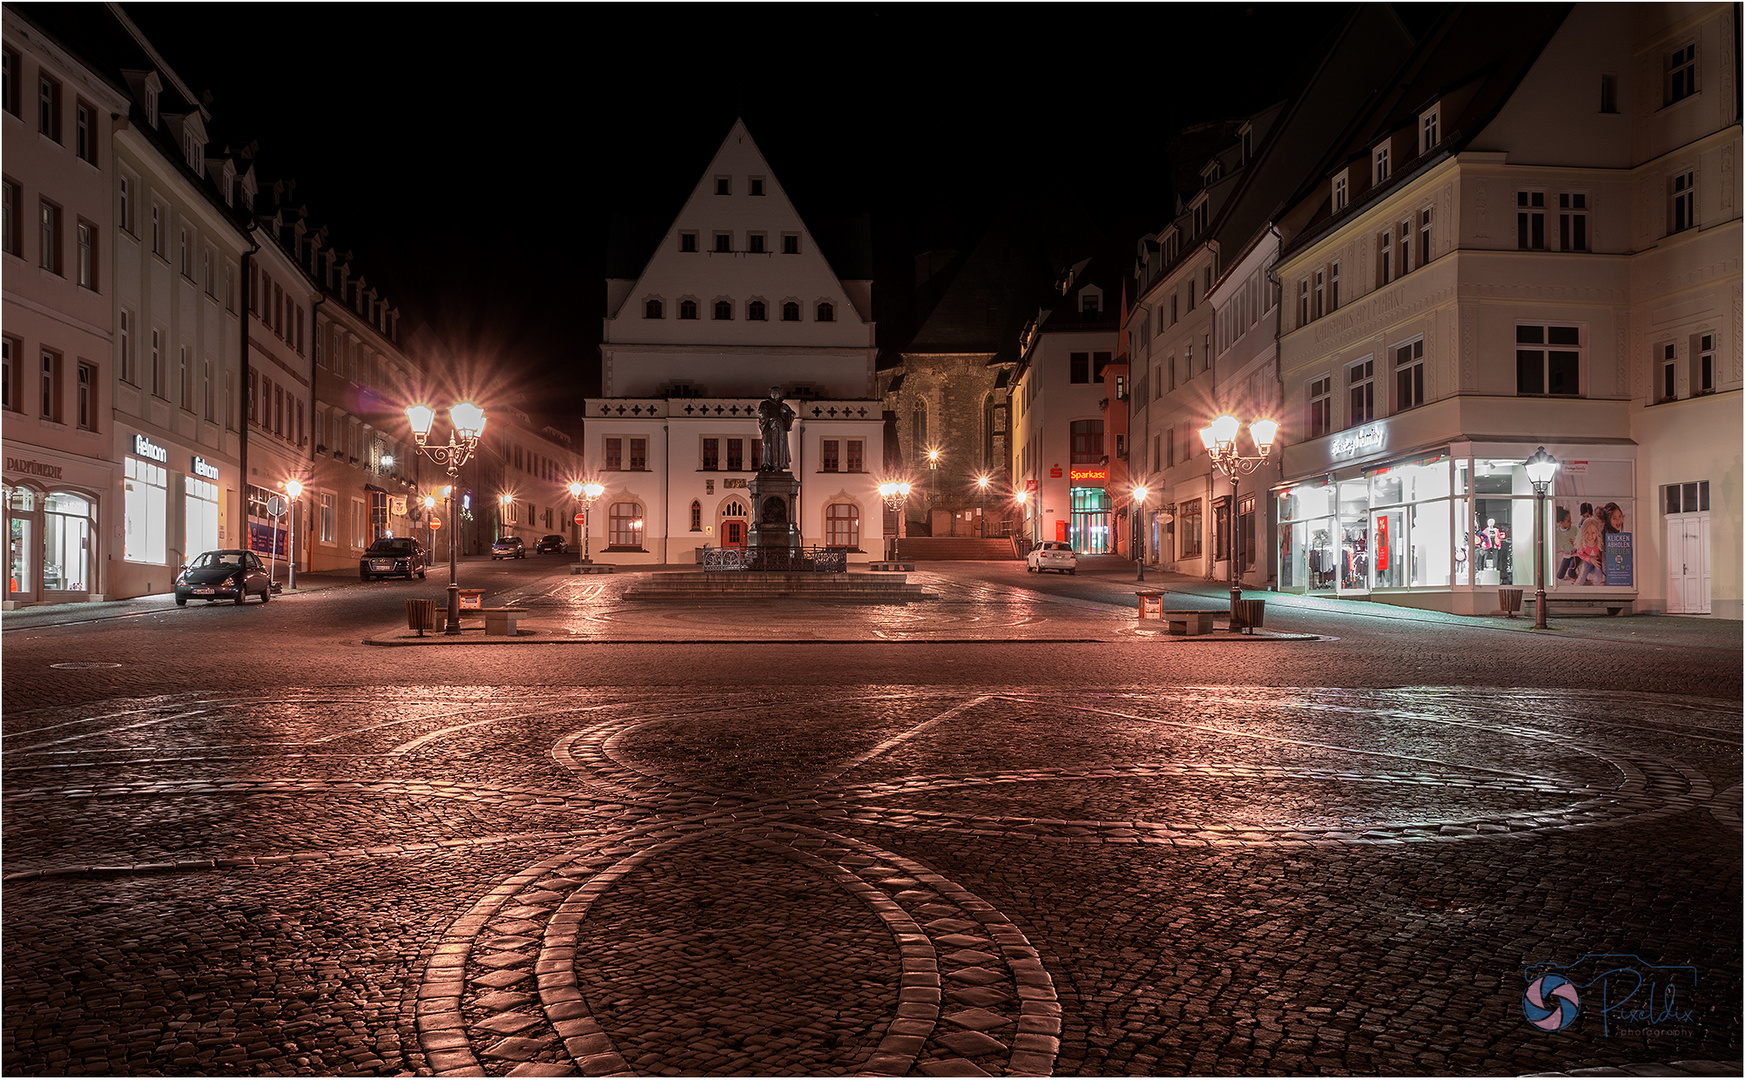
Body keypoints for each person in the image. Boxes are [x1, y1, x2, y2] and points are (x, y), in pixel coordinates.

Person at [757, 386, 796, 472]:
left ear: (779, 394)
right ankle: (766, 464)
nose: (775, 395)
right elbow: (762, 415)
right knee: (767, 445)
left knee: (780, 446)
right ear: (770, 394)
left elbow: (792, 414)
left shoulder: (783, 405)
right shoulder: (765, 404)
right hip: (769, 428)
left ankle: (779, 465)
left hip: (780, 429)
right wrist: (770, 420)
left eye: (776, 393)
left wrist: (786, 413)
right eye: (773, 393)